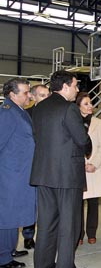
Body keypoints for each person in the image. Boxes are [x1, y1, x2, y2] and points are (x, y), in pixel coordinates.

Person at [30, 70, 91, 268]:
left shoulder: (38, 108)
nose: (77, 89)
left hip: (43, 174)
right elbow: (82, 139)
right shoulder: (69, 109)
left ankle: (43, 264)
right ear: (65, 87)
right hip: (66, 176)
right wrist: (87, 142)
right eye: (75, 85)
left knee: (46, 225)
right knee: (68, 226)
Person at [0, 78, 35, 268]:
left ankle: (10, 249)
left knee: (14, 215)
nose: (29, 95)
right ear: (12, 94)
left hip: (19, 173)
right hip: (9, 175)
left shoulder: (19, 111)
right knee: (6, 217)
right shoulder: (6, 113)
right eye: (25, 92)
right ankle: (3, 258)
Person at [76, 92, 101, 245]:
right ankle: (79, 233)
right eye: (86, 104)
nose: (90, 106)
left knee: (93, 203)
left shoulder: (99, 123)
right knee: (78, 203)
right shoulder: (73, 122)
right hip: (78, 168)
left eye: (90, 103)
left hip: (94, 168)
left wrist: (93, 163)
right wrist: (80, 163)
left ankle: (91, 232)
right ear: (78, 106)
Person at [20, 85, 49, 251]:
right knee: (30, 203)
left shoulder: (54, 113)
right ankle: (28, 236)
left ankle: (46, 235)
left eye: (47, 95)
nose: (45, 98)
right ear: (32, 96)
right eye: (41, 95)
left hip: (48, 164)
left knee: (45, 204)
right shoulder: (26, 115)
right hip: (31, 165)